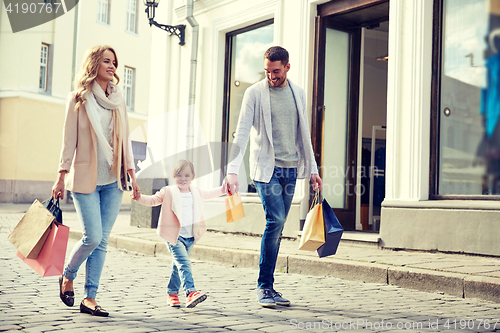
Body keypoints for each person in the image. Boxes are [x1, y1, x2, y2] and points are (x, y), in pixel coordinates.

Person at [224, 46, 322, 308]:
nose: (271, 76)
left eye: (276, 71)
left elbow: (304, 136)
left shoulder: (298, 93)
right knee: (276, 219)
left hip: (291, 170)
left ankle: (269, 286)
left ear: (287, 67)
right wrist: (232, 169)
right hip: (266, 169)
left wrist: (313, 169)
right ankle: (264, 287)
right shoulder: (254, 93)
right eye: (267, 71)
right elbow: (241, 131)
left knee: (277, 228)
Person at [52, 45, 140, 317]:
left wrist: (132, 174)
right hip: (85, 178)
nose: (112, 66)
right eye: (106, 61)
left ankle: (90, 297)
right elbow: (69, 140)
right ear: (94, 64)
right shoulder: (77, 98)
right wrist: (61, 175)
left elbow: (124, 139)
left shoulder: (118, 99)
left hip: (113, 179)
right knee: (93, 236)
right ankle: (68, 275)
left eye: (114, 62)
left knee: (102, 241)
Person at [132, 159, 226, 308]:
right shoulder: (168, 191)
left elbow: (210, 193)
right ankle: (190, 292)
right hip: (174, 236)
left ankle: (172, 293)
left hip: (190, 236)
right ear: (173, 176)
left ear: (193, 177)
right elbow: (153, 200)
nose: (183, 178)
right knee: (184, 263)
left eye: (187, 175)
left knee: (178, 266)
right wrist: (139, 197)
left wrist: (223, 189)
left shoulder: (196, 191)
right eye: (179, 175)